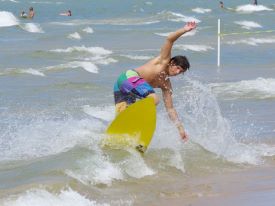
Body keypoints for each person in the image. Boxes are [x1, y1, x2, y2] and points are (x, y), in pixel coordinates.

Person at [113, 22, 197, 140]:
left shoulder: (166, 84)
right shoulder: (163, 61)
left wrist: (180, 129)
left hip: (122, 87)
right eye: (178, 68)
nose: (178, 72)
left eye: (181, 71)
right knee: (154, 99)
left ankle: (120, 138)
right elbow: (169, 40)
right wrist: (185, 30)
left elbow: (170, 109)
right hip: (127, 77)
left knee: (122, 118)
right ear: (172, 63)